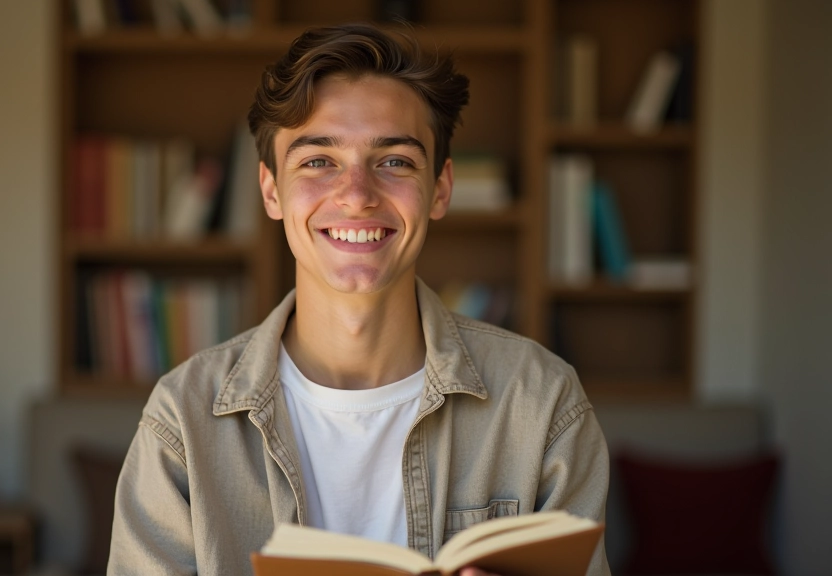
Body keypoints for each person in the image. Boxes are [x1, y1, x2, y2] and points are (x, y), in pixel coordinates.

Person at [108, 23, 611, 576]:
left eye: (394, 161)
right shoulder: (181, 420)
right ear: (271, 190)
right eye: (318, 161)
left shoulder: (542, 403)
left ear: (440, 189)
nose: (356, 196)